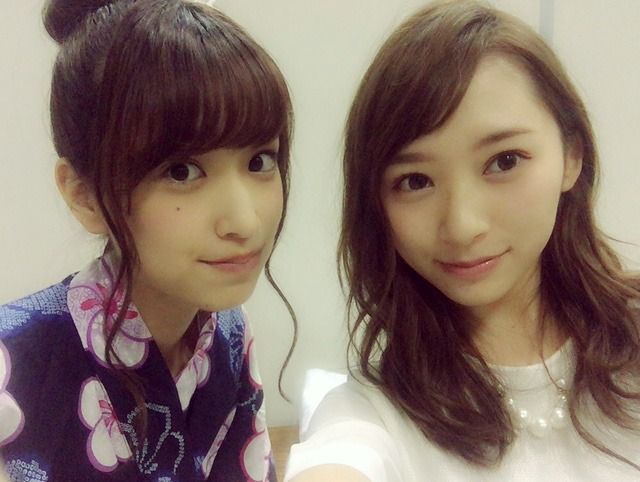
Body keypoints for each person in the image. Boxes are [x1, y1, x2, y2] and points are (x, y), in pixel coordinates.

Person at [285, 1, 640, 481]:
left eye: (504, 161)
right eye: (415, 181)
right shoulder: (370, 416)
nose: (462, 226)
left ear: (571, 156)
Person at [0, 0, 294, 480]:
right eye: (182, 171)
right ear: (84, 195)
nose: (244, 221)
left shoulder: (227, 332)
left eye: (260, 161)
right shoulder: (13, 364)